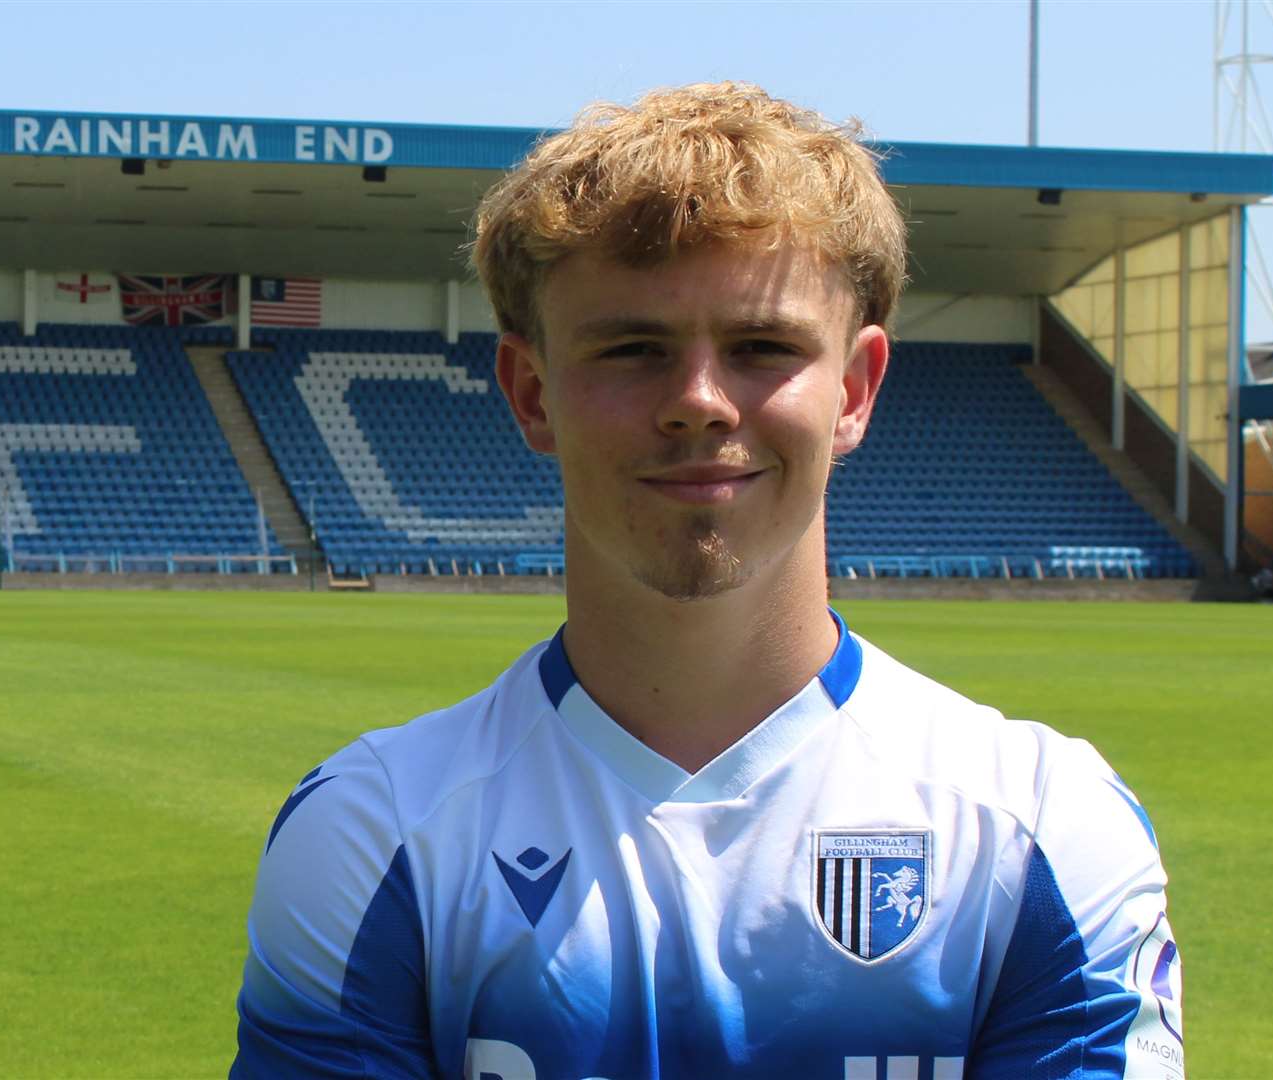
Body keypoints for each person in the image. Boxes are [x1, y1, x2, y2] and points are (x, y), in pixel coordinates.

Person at [232, 83, 1184, 1080]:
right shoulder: (379, 833)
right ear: (530, 392)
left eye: (762, 347)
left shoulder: (1039, 833)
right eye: (633, 349)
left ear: (854, 390)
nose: (698, 402)